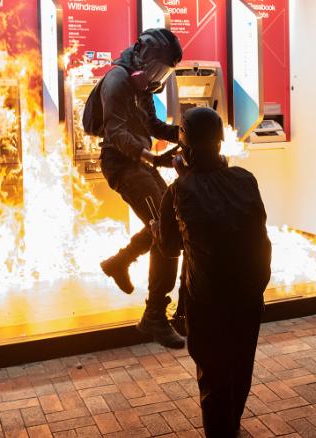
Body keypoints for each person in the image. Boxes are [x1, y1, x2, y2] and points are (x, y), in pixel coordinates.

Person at [153, 107, 272, 437]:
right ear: (220, 144)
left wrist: (156, 226)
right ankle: (231, 425)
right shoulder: (246, 180)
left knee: (213, 377)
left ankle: (222, 431)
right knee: (240, 368)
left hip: (208, 301)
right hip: (249, 296)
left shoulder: (178, 192)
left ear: (186, 149)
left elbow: (170, 248)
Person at [97, 28, 185, 349]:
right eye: (157, 68)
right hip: (121, 164)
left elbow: (152, 126)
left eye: (164, 72)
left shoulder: (142, 84)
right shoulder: (118, 80)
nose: (157, 77)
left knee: (171, 219)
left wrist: (186, 133)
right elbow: (116, 132)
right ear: (143, 56)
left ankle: (119, 262)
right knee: (166, 229)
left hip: (141, 163)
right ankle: (155, 316)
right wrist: (152, 156)